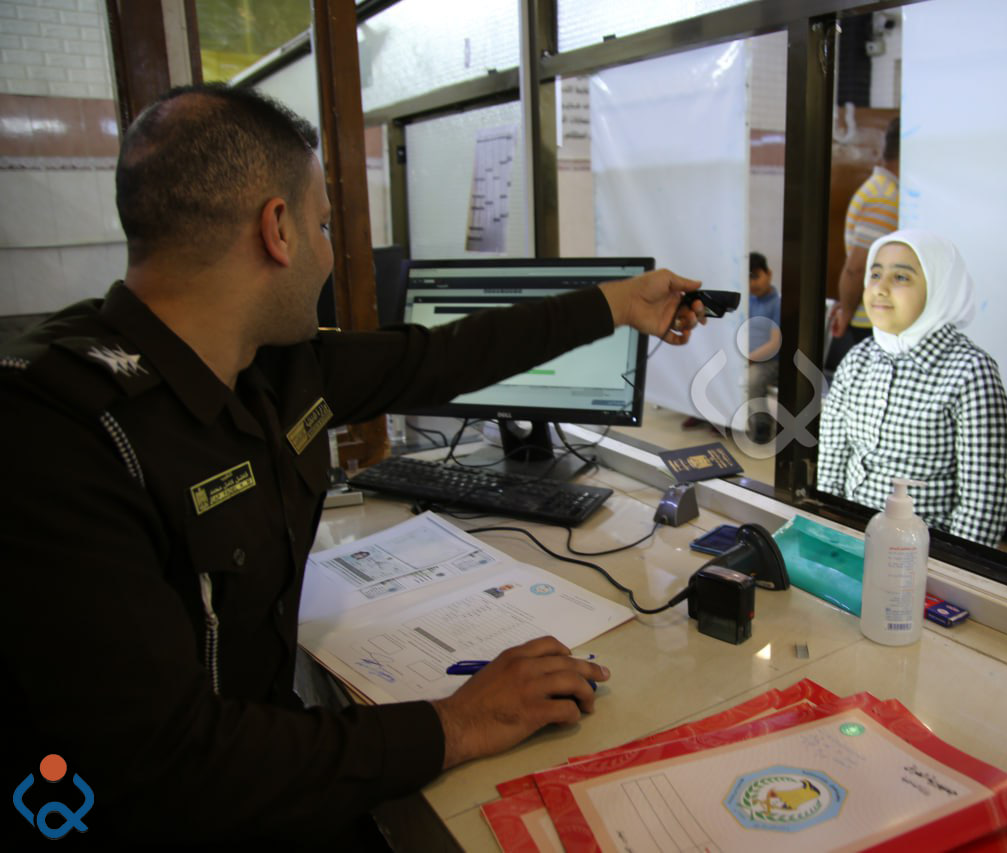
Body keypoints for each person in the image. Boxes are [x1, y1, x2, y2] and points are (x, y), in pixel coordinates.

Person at [0, 83, 706, 848]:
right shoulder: (57, 434)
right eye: (325, 225)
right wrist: (456, 723)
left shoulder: (271, 365)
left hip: (267, 757)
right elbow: (166, 763)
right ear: (278, 230)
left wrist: (621, 302)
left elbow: (445, 356)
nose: (331, 250)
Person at [818, 230, 1007, 548]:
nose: (880, 289)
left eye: (901, 277)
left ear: (940, 289)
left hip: (922, 555)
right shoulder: (857, 359)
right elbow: (832, 458)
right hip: (849, 538)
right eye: (875, 274)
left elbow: (985, 497)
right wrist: (827, 530)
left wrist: (954, 568)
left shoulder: (970, 372)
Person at [828, 115, 900, 349]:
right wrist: (847, 311)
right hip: (871, 317)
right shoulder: (884, 197)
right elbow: (857, 266)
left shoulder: (881, 189)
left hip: (871, 314)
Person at [745, 251, 782, 442]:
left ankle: (762, 424)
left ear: (769, 273)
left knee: (753, 379)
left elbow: (775, 343)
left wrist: (750, 358)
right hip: (748, 358)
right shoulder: (748, 301)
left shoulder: (777, 303)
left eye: (756, 277)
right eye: (748, 279)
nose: (752, 284)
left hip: (771, 362)